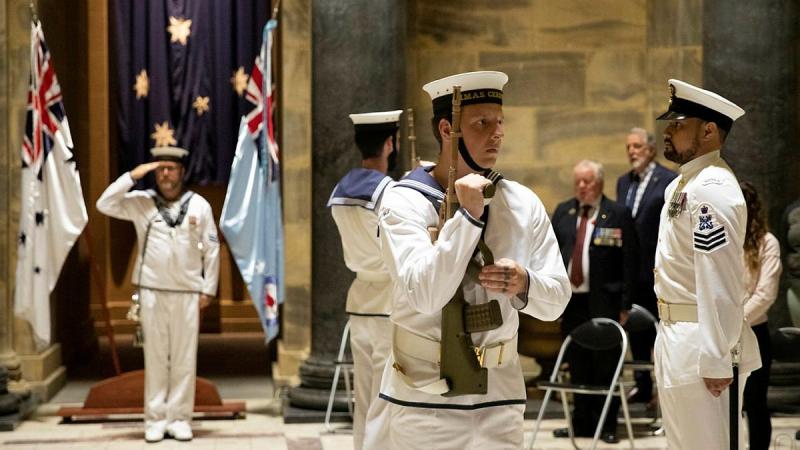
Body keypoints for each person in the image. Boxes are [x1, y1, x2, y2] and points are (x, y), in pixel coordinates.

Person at [363, 71, 570, 449]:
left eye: (500, 122)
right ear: (447, 129)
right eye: (482, 123)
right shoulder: (403, 201)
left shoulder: (520, 202)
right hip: (425, 399)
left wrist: (525, 283)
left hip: (501, 399)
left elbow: (557, 301)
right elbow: (424, 294)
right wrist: (468, 218)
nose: (497, 133)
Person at [653, 79, 761, 450]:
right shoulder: (683, 185)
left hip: (700, 340)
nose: (668, 131)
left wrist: (716, 357)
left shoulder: (712, 188)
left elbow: (719, 279)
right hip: (674, 335)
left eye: (678, 124)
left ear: (709, 130)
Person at [96, 146, 220, 443]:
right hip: (152, 291)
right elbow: (104, 204)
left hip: (188, 293)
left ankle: (179, 419)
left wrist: (209, 289)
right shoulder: (142, 203)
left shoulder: (199, 205)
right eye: (161, 168)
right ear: (154, 172)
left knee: (183, 358)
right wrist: (132, 176)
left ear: (182, 172)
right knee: (155, 358)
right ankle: (154, 419)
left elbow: (213, 249)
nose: (166, 174)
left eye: (172, 168)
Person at [327, 109, 402, 450]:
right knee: (385, 397)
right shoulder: (392, 192)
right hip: (389, 299)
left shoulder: (341, 190)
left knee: (364, 394)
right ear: (390, 143)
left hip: (360, 298)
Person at [551, 160, 637, 444]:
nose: (581, 187)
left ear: (599, 182)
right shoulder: (564, 212)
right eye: (577, 181)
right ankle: (580, 424)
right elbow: (551, 254)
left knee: (606, 367)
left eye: (587, 181)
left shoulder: (617, 213)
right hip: (572, 303)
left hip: (605, 302)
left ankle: (608, 424)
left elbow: (629, 262)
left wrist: (625, 304)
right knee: (577, 365)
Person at [615, 127, 677, 404]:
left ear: (651, 150)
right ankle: (642, 385)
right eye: (629, 147)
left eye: (637, 147)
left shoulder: (668, 180)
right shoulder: (622, 182)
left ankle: (665, 387)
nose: (632, 152)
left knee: (660, 331)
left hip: (658, 268)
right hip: (631, 270)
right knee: (636, 333)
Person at [739, 181, 782, 450]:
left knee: (754, 402)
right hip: (722, 333)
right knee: (725, 405)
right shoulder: (721, 241)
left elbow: (765, 294)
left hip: (753, 331)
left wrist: (736, 321)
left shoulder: (768, 243)